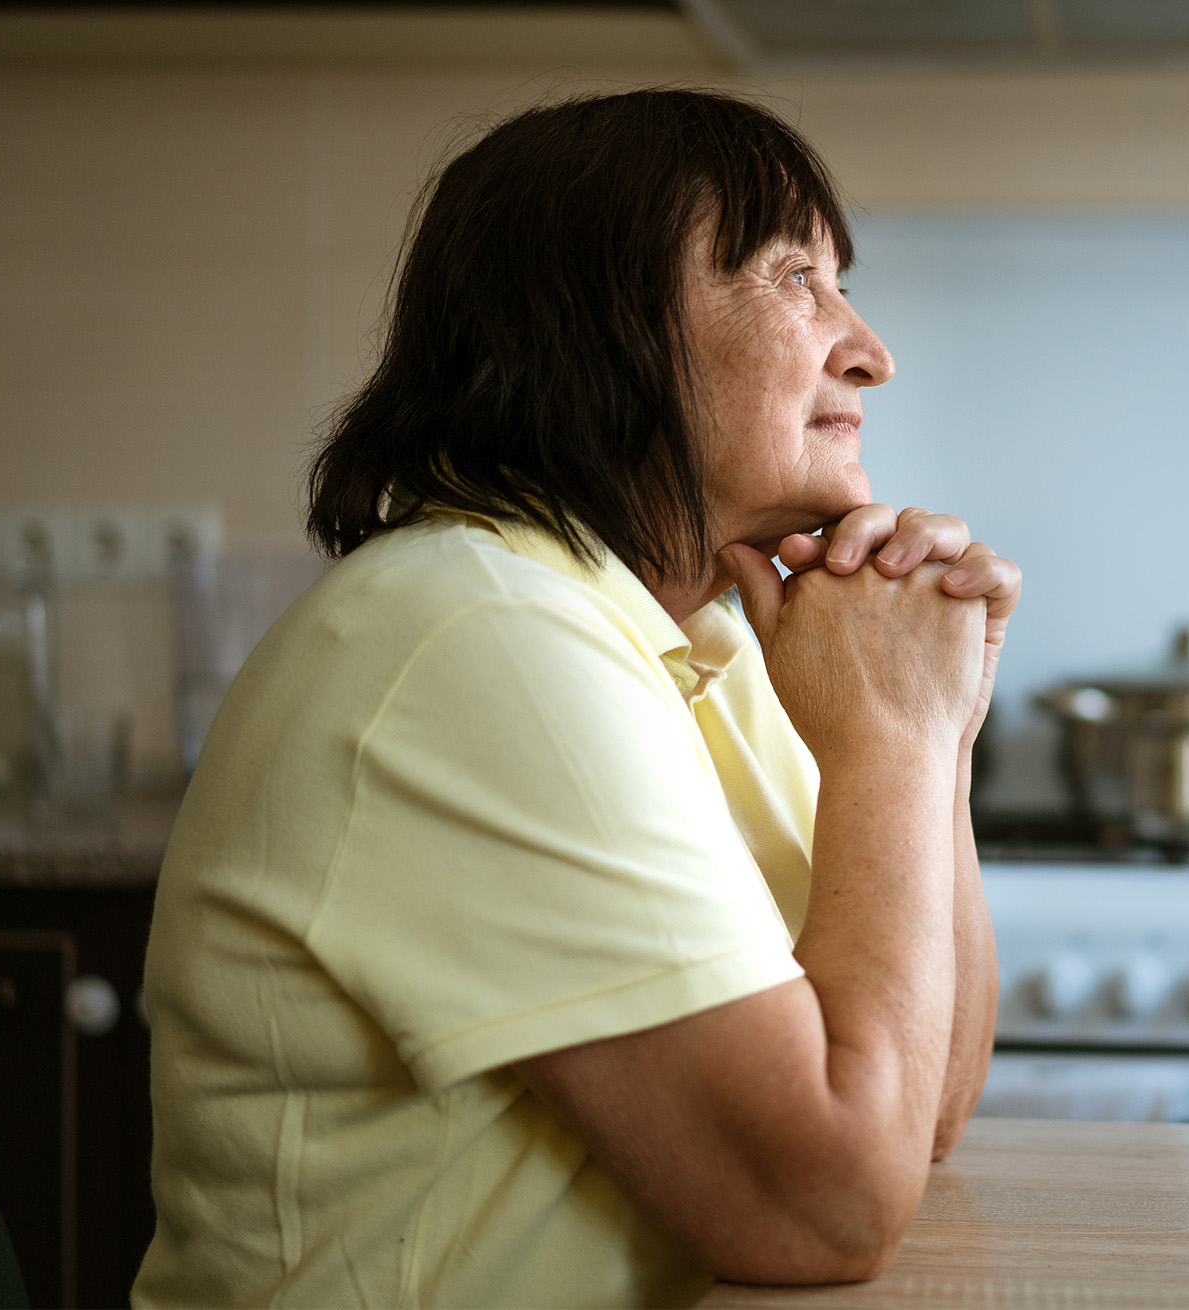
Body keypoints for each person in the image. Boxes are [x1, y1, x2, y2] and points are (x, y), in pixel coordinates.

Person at [133, 89, 1021, 1309]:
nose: (868, 348)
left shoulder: (698, 633)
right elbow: (824, 1203)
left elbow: (926, 1107)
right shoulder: (476, 635)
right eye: (794, 278)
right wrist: (894, 747)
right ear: (605, 328)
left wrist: (938, 720)